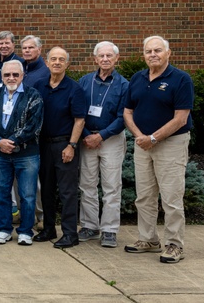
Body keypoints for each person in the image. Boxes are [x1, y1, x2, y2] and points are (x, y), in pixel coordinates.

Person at [123, 36, 194, 264]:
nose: (152, 54)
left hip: (171, 144)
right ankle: (149, 240)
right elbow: (127, 112)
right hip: (143, 143)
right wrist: (140, 136)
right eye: (148, 51)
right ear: (143, 54)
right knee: (144, 197)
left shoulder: (181, 79)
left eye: (157, 50)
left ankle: (174, 245)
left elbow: (181, 118)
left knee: (171, 198)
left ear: (168, 53)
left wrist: (153, 138)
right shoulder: (137, 78)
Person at [32, 47, 87, 249]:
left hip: (65, 145)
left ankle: (70, 233)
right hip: (43, 145)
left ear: (67, 64)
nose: (56, 62)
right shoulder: (39, 86)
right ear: (46, 63)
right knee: (46, 190)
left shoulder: (74, 89)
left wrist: (72, 145)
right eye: (53, 59)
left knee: (67, 192)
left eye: (61, 59)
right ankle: (48, 228)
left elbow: (79, 120)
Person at [77, 41, 129, 248]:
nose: (105, 59)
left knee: (111, 186)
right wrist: (89, 135)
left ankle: (109, 230)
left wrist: (102, 136)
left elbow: (124, 116)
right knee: (87, 185)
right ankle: (89, 225)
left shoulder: (125, 85)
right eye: (102, 56)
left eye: (110, 56)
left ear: (116, 58)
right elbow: (78, 110)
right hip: (87, 139)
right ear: (95, 58)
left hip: (112, 140)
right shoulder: (84, 81)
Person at [0, 60, 43, 245]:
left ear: (22, 76)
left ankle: (26, 231)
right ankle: (3, 229)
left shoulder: (33, 95)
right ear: (1, 76)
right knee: (1, 194)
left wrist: (12, 141)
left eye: (15, 75)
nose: (11, 78)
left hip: (26, 154)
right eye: (7, 75)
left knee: (27, 195)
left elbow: (33, 125)